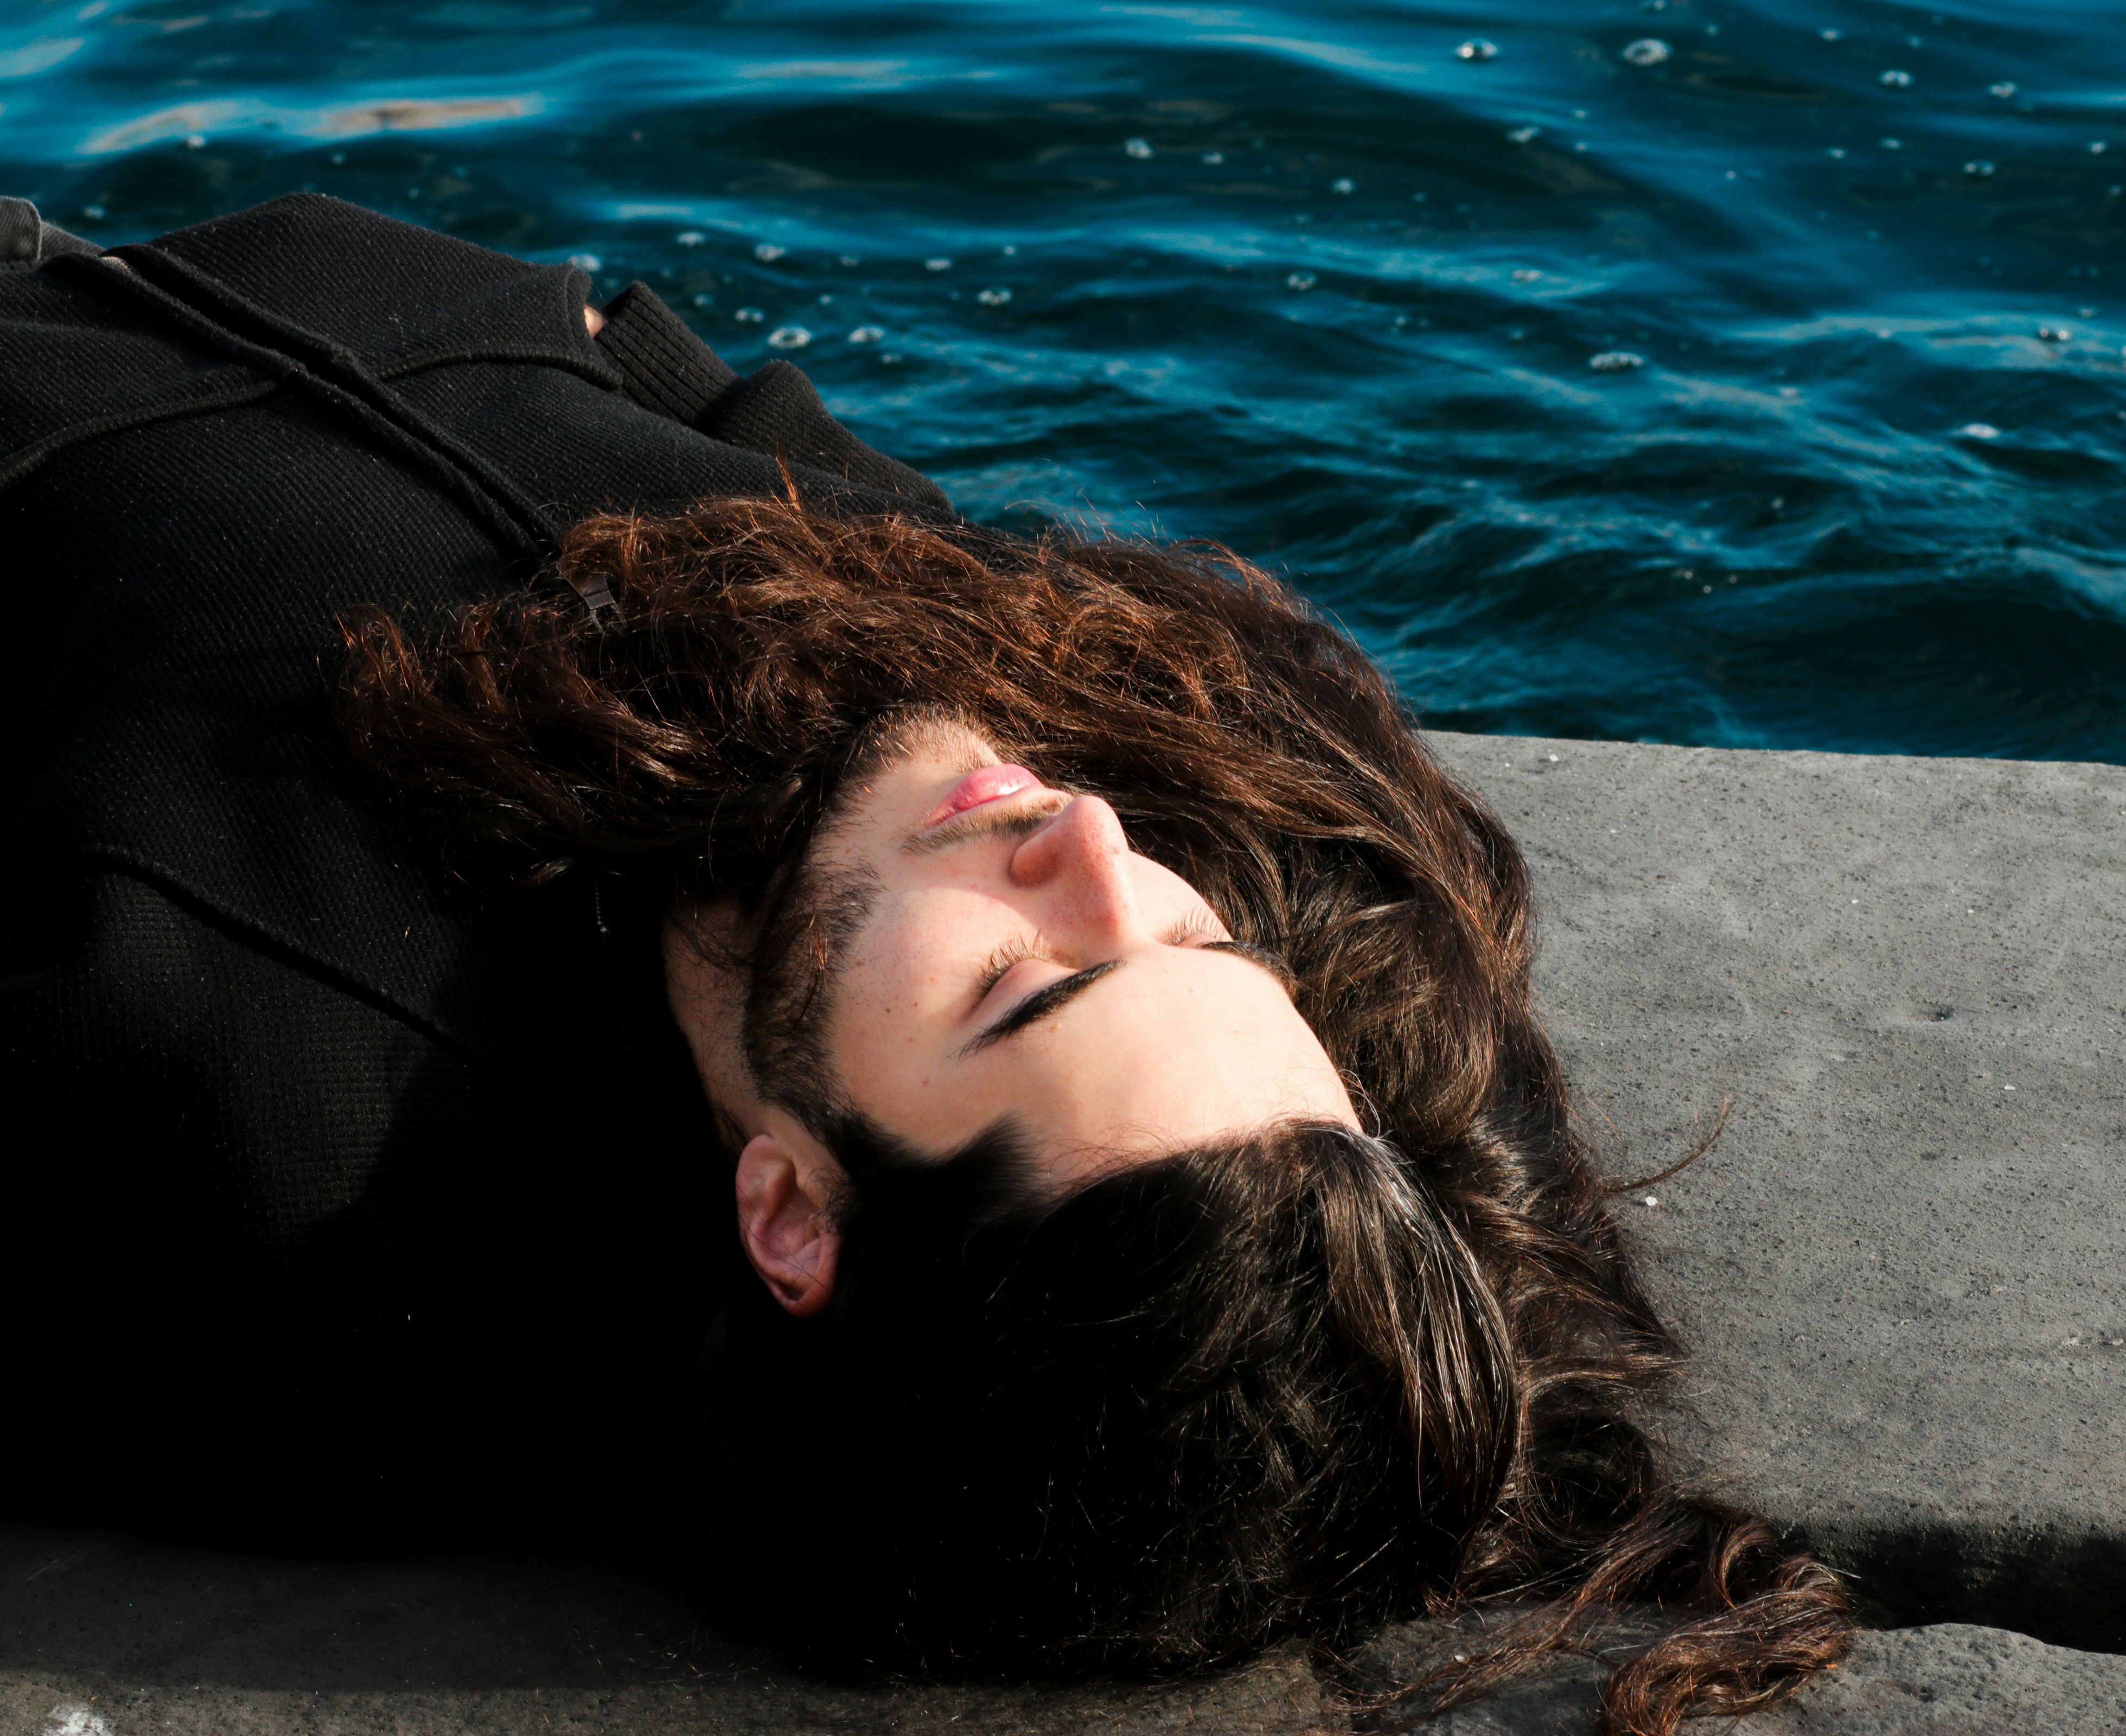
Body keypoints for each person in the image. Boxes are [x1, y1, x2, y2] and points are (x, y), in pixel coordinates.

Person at [0, 194, 1853, 1732]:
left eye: (1027, 991)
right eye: (1209, 942)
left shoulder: (259, 1089)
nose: (1097, 849)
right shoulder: (943, 814)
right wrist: (604, 348)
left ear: (793, 1213)